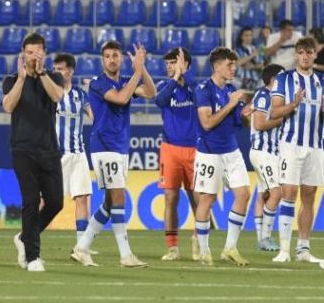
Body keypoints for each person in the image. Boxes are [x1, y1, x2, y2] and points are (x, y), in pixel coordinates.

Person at [75, 40, 156, 268]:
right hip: (104, 146)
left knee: (111, 203)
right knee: (118, 197)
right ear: (103, 60)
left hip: (119, 148)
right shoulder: (98, 84)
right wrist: (136, 73)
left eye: (115, 55)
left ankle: (82, 247)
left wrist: (143, 68)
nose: (112, 59)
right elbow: (120, 98)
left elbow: (151, 92)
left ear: (121, 58)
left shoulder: (123, 81)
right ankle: (125, 255)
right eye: (107, 56)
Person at [2, 33, 65, 272]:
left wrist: (41, 74)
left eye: (37, 52)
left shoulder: (53, 77)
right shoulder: (11, 79)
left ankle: (24, 237)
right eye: (29, 52)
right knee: (30, 201)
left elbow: (57, 96)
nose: (33, 57)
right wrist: (21, 79)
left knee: (55, 202)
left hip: (49, 149)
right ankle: (32, 257)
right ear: (23, 54)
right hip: (23, 149)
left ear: (44, 54)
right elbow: (8, 106)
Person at [193, 47, 250, 266]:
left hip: (232, 151)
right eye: (229, 64)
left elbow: (239, 121)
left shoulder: (232, 90)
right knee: (207, 199)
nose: (233, 68)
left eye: (234, 65)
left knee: (243, 194)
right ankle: (205, 250)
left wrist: (247, 113)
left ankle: (230, 248)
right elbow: (207, 123)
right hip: (209, 153)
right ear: (217, 66)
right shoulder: (203, 90)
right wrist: (231, 104)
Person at [270, 37, 324, 264]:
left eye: (309, 52)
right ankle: (283, 249)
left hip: (316, 145)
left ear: (314, 55)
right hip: (291, 145)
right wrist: (293, 104)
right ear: (296, 55)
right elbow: (273, 113)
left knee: (309, 196)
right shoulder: (283, 79)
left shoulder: (321, 80)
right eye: (301, 52)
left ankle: (303, 249)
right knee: (289, 193)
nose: (305, 56)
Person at [154, 48, 200, 261]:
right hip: (170, 149)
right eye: (169, 63)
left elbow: (198, 94)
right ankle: (172, 247)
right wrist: (175, 78)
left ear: (187, 64)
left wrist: (185, 75)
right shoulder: (165, 86)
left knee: (197, 199)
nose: (170, 66)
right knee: (170, 198)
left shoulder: (196, 87)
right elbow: (159, 101)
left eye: (175, 62)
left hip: (196, 149)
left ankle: (200, 242)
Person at [51, 53, 94, 266]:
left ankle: (81, 247)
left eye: (61, 69)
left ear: (71, 71)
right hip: (57, 155)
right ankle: (28, 238)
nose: (57, 72)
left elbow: (94, 117)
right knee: (46, 201)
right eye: (55, 69)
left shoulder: (80, 95)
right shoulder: (50, 94)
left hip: (78, 153)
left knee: (83, 198)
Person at [243, 63, 284, 252]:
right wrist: (281, 119)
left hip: (270, 153)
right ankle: (266, 238)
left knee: (264, 194)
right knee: (277, 193)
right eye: (282, 77)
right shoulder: (263, 95)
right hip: (263, 152)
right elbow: (259, 124)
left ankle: (262, 239)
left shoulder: (275, 98)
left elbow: (248, 115)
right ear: (273, 80)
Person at [235, 27, 265, 93]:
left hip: (256, 80)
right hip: (241, 80)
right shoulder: (237, 50)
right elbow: (238, 63)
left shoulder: (256, 49)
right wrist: (252, 55)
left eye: (250, 35)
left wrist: (253, 66)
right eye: (246, 35)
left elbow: (261, 64)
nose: (248, 37)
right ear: (241, 37)